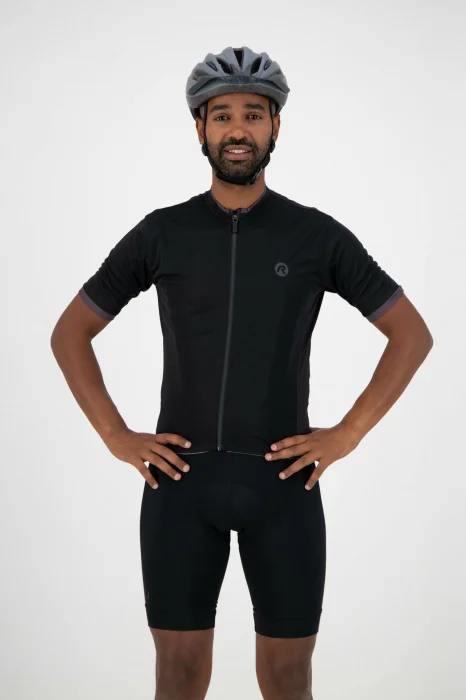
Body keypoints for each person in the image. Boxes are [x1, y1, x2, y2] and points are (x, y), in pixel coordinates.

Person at [51, 46, 433, 700]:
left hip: (283, 487)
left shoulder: (316, 236)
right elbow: (70, 333)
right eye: (222, 114)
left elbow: (411, 334)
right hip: (179, 487)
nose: (237, 129)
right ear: (199, 128)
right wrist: (116, 435)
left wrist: (348, 433)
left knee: (287, 680)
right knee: (177, 678)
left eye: (253, 115)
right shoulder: (162, 233)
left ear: (275, 126)